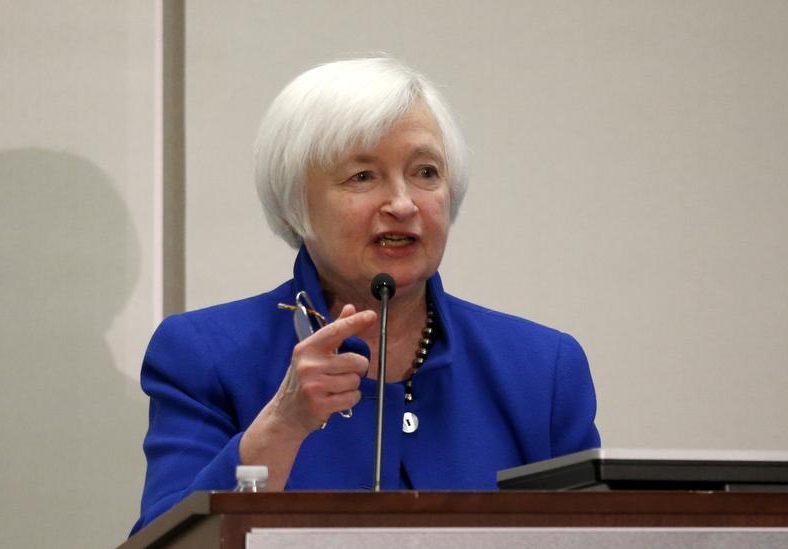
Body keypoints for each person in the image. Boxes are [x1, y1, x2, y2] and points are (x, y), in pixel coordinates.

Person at [131, 56, 600, 534]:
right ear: (297, 205)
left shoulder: (542, 369)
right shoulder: (205, 355)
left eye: (425, 172)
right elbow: (168, 541)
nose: (402, 203)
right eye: (362, 176)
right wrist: (283, 425)